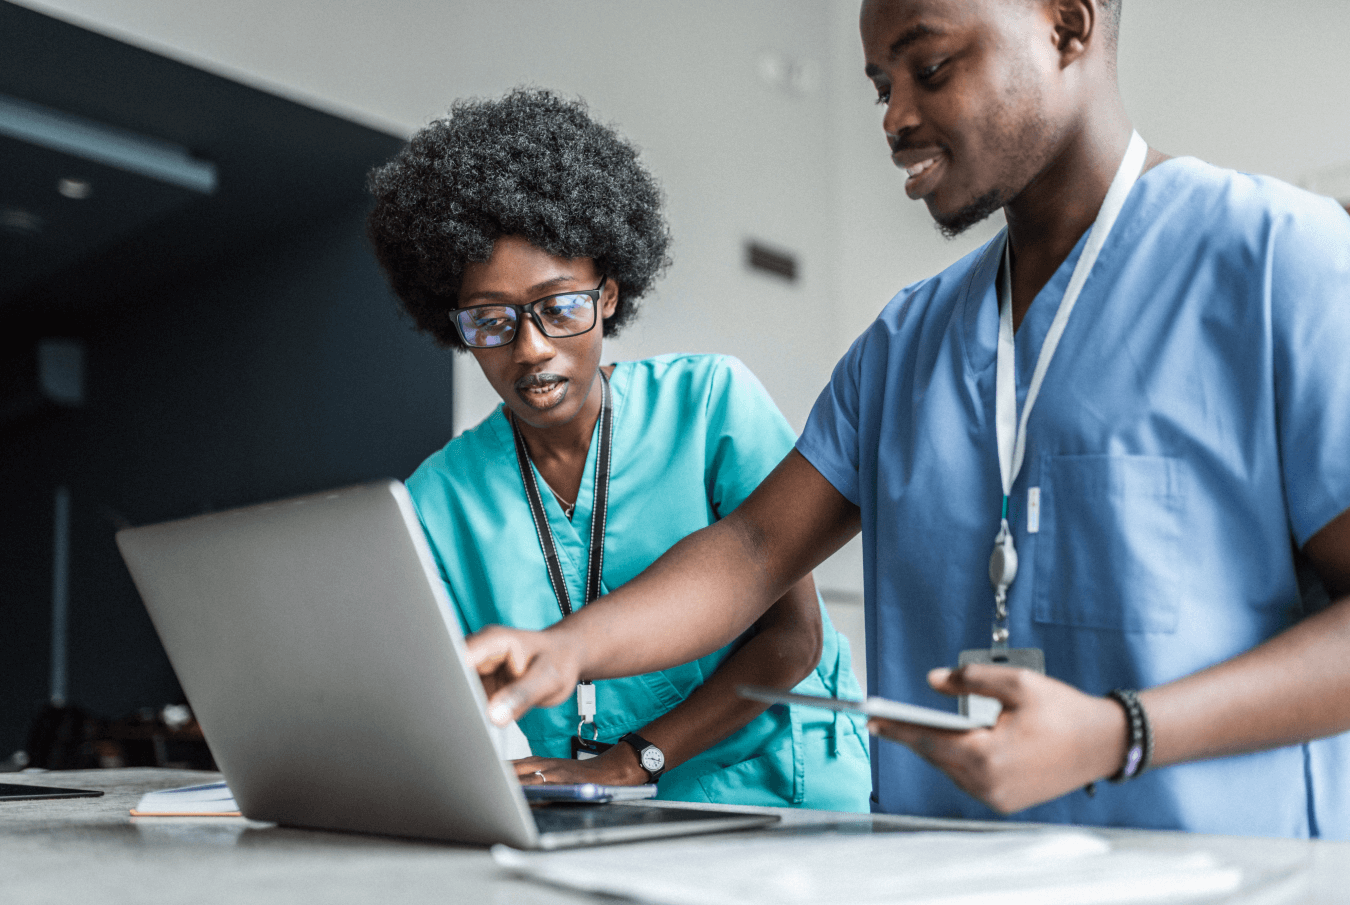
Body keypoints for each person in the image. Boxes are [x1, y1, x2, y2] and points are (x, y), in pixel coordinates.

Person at [465, 0, 1350, 838]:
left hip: (1223, 873)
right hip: (948, 870)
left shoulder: (1280, 262)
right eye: (882, 87)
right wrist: (565, 648)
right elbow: (753, 552)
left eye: (930, 67)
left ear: (1068, 26)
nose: (893, 120)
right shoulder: (905, 342)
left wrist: (1120, 732)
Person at [364, 89, 872, 812]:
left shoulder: (709, 404)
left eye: (560, 307)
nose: (531, 348)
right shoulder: (437, 497)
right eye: (491, 321)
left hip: (774, 787)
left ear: (608, 294)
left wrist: (637, 759)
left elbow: (794, 641)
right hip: (588, 809)